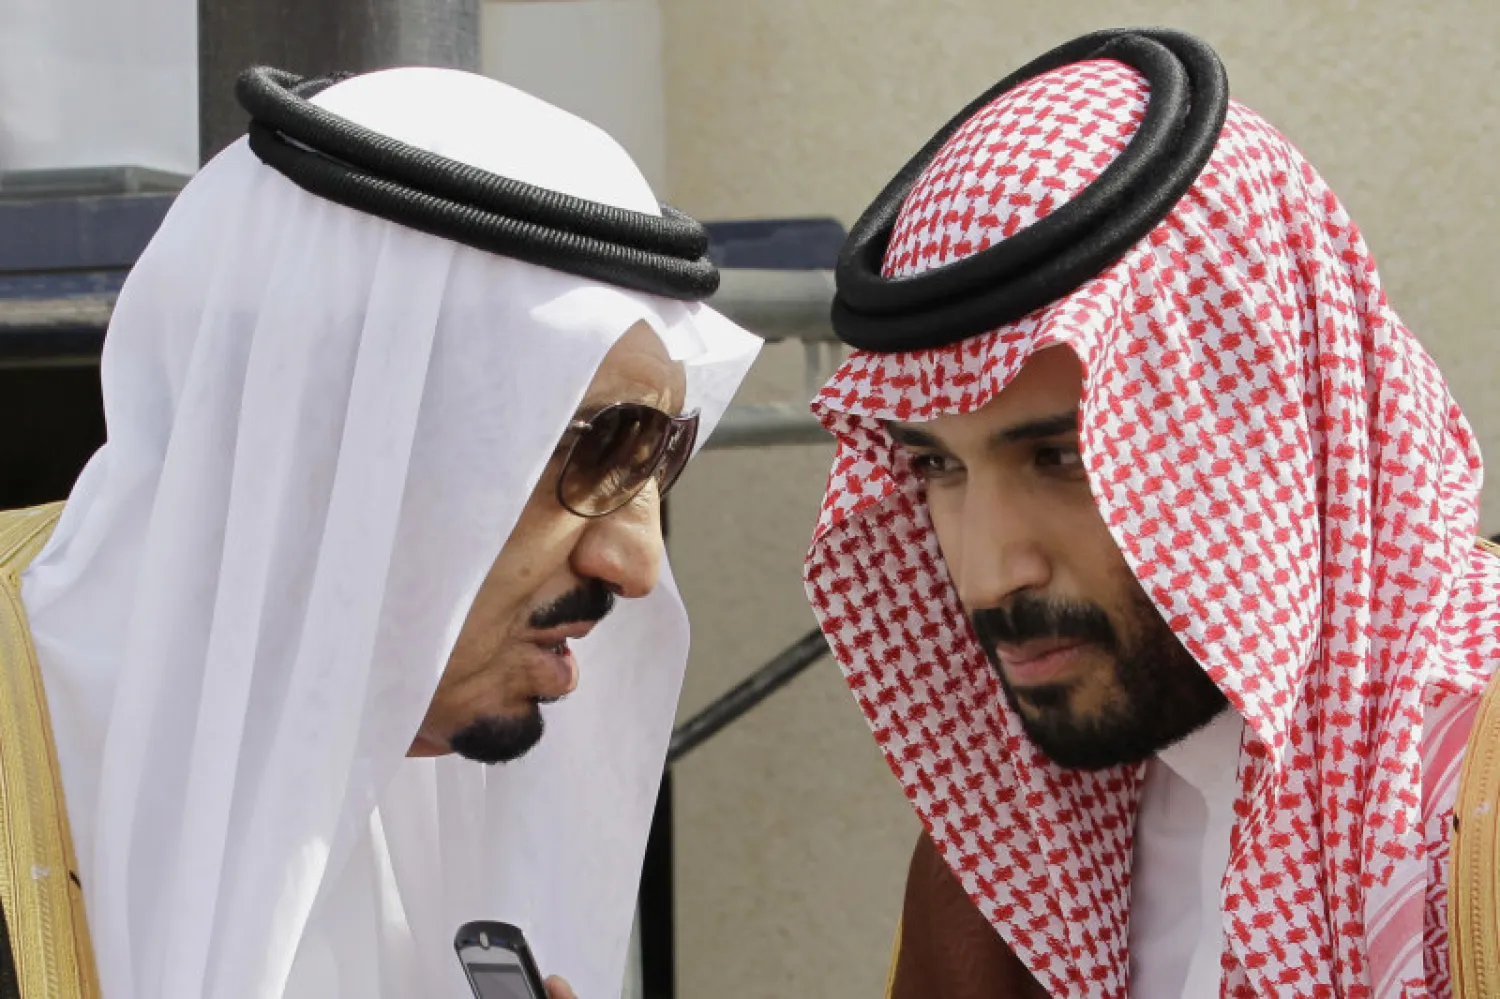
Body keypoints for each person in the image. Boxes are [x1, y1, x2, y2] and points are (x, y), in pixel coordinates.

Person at [0, 64, 760, 999]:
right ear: (345, 427)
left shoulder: (420, 788)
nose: (636, 563)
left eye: (656, 459)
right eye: (598, 444)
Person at [804, 28, 1500, 999]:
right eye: (936, 468)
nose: (988, 573)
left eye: (1060, 458)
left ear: (1264, 436)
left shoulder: (1472, 795)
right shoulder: (1008, 849)